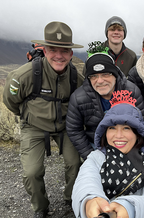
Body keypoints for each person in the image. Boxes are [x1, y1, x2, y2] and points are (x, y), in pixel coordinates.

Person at [3, 21, 84, 218]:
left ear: (71, 54)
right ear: (45, 50)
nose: (59, 55)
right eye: (53, 49)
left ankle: (71, 199)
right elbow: (11, 100)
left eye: (64, 50)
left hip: (65, 127)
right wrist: (29, 117)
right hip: (34, 127)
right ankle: (40, 207)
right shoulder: (25, 75)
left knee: (75, 164)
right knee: (32, 172)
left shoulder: (76, 78)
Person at [71, 90, 144, 218]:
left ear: (138, 133)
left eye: (126, 128)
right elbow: (85, 183)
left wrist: (129, 208)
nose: (118, 136)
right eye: (112, 128)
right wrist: (89, 200)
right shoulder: (96, 158)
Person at [66, 52, 144, 161]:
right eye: (93, 76)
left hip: (127, 142)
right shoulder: (78, 98)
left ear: (115, 74)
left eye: (105, 74)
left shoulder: (131, 91)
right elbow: (74, 129)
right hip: (96, 144)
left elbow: (143, 120)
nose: (100, 81)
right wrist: (90, 155)